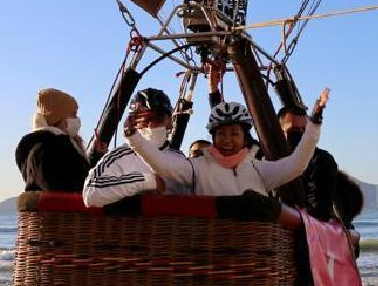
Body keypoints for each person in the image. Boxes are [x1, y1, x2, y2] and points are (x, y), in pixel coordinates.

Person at [126, 90, 328, 197]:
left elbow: (296, 165)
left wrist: (314, 124)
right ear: (213, 137)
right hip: (211, 255)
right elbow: (163, 164)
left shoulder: (259, 170)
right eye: (221, 134)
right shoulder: (197, 168)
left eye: (234, 134)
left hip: (251, 257)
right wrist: (134, 137)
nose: (228, 140)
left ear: (244, 138)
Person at [82, 88, 190, 207]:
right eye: (143, 119)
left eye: (157, 118)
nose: (151, 125)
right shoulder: (118, 156)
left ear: (169, 121)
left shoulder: (179, 159)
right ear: (133, 122)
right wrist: (147, 181)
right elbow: (90, 194)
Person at [14, 88, 89, 192]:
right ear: (59, 117)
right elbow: (70, 187)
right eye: (73, 114)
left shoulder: (46, 145)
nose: (77, 119)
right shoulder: (47, 149)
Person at [279, 105, 340, 222]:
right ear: (281, 132)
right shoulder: (268, 159)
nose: (301, 136)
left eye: (305, 131)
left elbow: (319, 209)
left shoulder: (321, 161)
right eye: (295, 131)